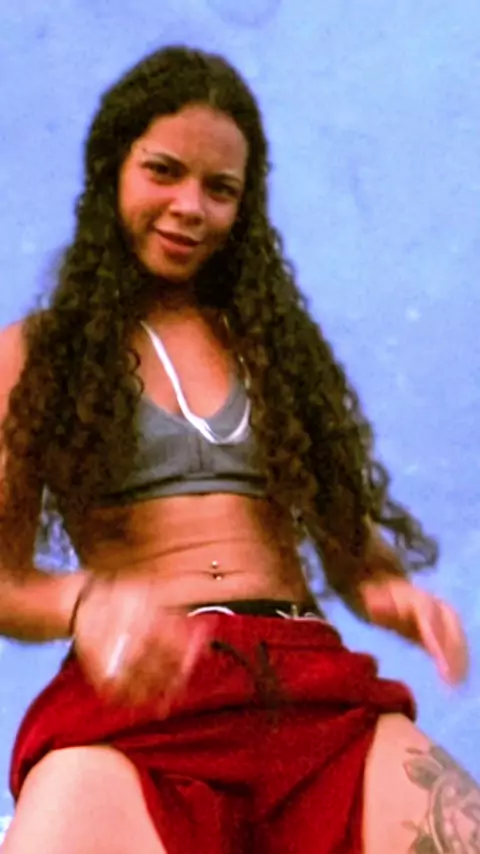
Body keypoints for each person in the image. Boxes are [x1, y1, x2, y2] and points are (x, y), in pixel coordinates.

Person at [0, 45, 476, 854]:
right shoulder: (36, 356)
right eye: (164, 171)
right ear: (112, 170)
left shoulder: (274, 347)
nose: (190, 205)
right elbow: (6, 580)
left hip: (307, 691)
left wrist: (395, 596)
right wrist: (86, 603)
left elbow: (353, 558)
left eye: (220, 189)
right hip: (144, 699)